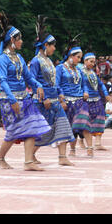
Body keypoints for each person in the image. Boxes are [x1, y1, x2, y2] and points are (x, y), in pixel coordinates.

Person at [0, 12, 50, 171]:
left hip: (24, 98)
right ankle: (0, 158)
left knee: (32, 127)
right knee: (13, 132)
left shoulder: (19, 58)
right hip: (9, 99)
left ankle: (28, 162)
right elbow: (3, 81)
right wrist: (12, 100)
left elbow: (28, 77)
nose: (22, 42)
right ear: (12, 40)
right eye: (20, 39)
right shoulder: (2, 59)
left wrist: (38, 85)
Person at [29, 22, 75, 166]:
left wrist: (60, 93)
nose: (54, 48)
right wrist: (44, 99)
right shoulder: (36, 61)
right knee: (43, 131)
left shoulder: (49, 61)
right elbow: (32, 81)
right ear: (45, 46)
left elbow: (54, 81)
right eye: (52, 45)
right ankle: (30, 155)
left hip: (55, 100)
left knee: (63, 125)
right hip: (43, 101)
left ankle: (62, 157)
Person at [56, 38, 92, 157]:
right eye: (78, 57)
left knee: (84, 122)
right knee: (70, 127)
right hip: (67, 101)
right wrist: (61, 100)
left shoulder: (79, 70)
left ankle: (90, 147)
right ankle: (71, 150)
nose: (79, 60)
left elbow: (84, 84)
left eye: (80, 58)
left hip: (80, 101)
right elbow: (57, 84)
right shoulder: (60, 68)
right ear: (70, 56)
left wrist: (86, 92)